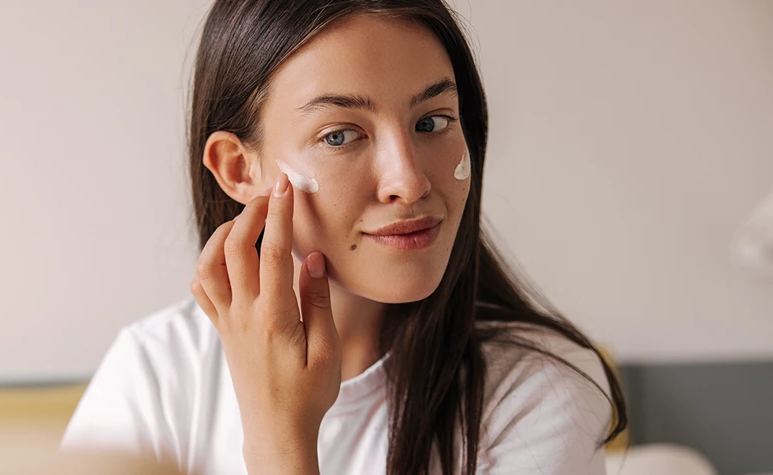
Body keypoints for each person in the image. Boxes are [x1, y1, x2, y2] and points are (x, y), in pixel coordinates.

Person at [62, 1, 628, 474]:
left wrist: (282, 443)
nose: (408, 181)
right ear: (239, 169)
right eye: (340, 135)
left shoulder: (537, 389)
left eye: (432, 122)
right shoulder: (157, 371)